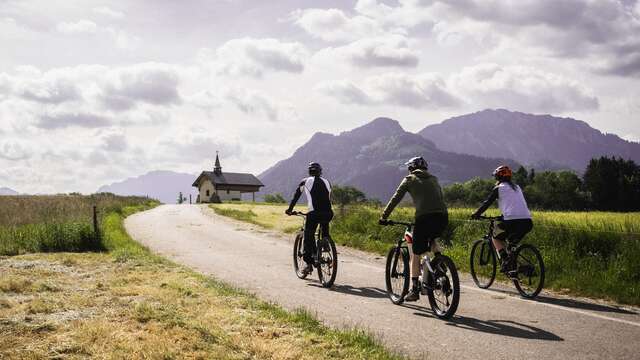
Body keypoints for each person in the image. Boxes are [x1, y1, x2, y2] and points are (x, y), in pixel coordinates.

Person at [379, 157, 448, 301]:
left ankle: (415, 289)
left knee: (415, 254)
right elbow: (440, 197)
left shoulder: (409, 179)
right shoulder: (434, 179)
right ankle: (440, 263)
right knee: (433, 238)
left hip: (424, 218)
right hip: (442, 217)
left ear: (411, 168)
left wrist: (383, 217)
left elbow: (395, 199)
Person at [471, 165, 533, 274]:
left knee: (496, 237)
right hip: (527, 221)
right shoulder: (517, 187)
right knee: (512, 245)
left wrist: (476, 214)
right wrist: (503, 216)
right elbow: (514, 205)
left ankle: (505, 261)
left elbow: (487, 203)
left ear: (498, 178)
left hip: (512, 221)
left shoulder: (499, 188)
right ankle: (516, 266)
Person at [286, 162, 333, 275]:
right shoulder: (327, 182)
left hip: (314, 214)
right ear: (320, 172)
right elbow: (329, 198)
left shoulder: (305, 181)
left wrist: (290, 210)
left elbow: (296, 196)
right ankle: (326, 244)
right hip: (328, 213)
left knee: (308, 236)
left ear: (309, 171)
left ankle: (308, 264)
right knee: (324, 227)